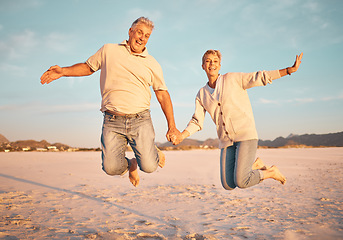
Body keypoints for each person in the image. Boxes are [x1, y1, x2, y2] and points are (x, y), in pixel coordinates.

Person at [40, 17, 181, 187]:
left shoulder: (152, 63)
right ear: (130, 32)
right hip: (112, 120)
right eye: (139, 32)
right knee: (110, 168)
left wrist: (172, 126)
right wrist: (63, 71)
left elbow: (162, 94)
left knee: (150, 167)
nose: (142, 38)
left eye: (147, 35)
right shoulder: (109, 50)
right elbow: (88, 67)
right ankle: (131, 164)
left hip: (140, 120)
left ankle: (150, 152)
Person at [171, 50, 303, 190]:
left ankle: (270, 172)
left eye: (215, 61)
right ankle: (254, 165)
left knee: (241, 181)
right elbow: (197, 121)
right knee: (228, 184)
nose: (212, 64)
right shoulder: (201, 94)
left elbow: (260, 77)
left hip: (245, 135)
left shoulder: (233, 79)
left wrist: (289, 70)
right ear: (203, 65)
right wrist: (182, 135)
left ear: (220, 65)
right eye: (208, 61)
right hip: (226, 141)